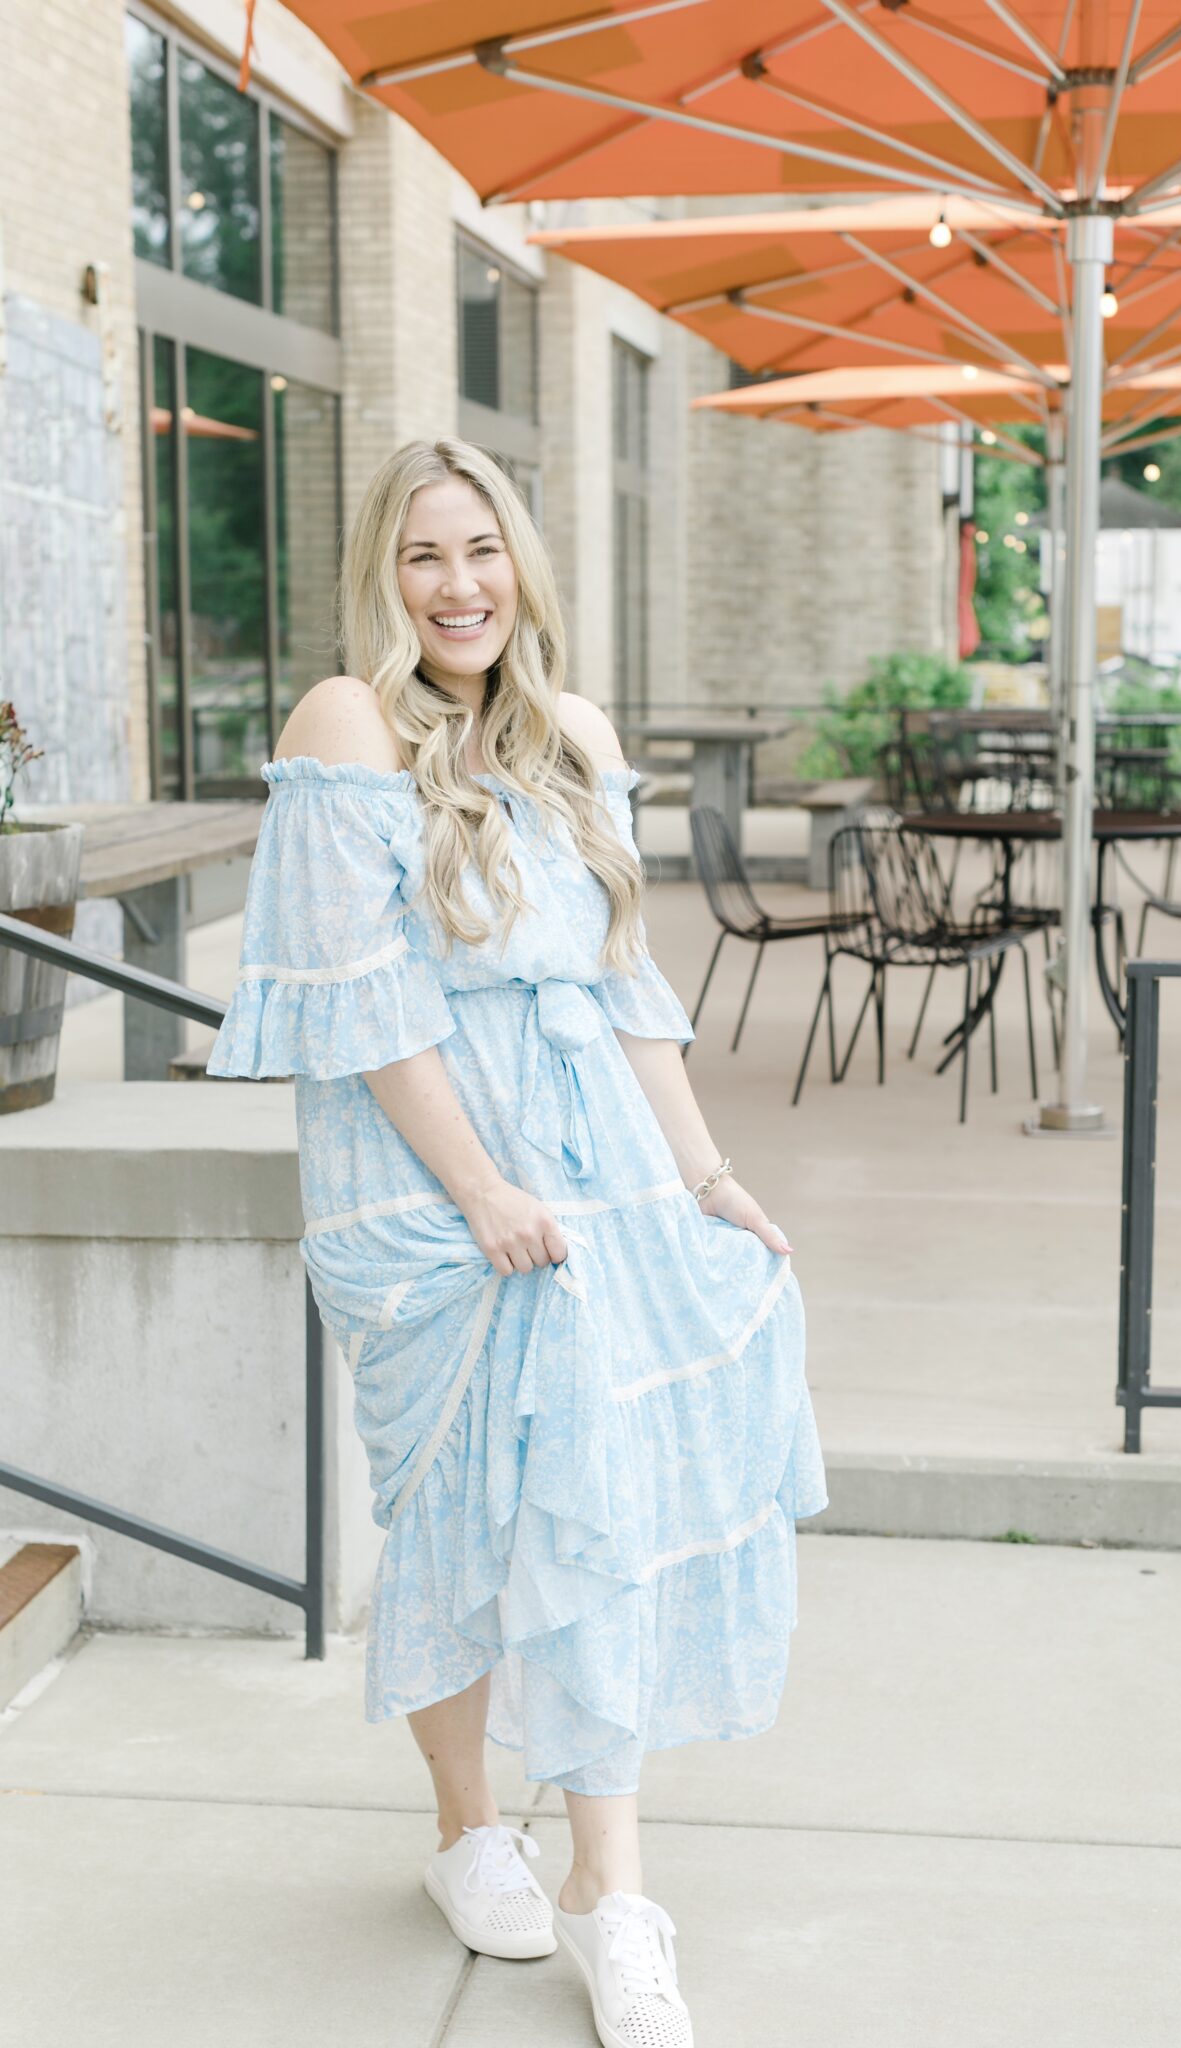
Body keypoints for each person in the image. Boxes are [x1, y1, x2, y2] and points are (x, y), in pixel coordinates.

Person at [208, 438, 827, 2048]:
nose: (459, 585)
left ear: (522, 563)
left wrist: (703, 1182)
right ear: (381, 575)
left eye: (481, 550)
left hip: (595, 1172)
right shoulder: (344, 724)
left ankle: (617, 1902)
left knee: (592, 1510)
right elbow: (366, 1007)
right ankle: (467, 1830)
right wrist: (479, 1190)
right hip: (422, 1187)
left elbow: (624, 989)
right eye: (423, 556)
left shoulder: (571, 737)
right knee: (454, 1521)